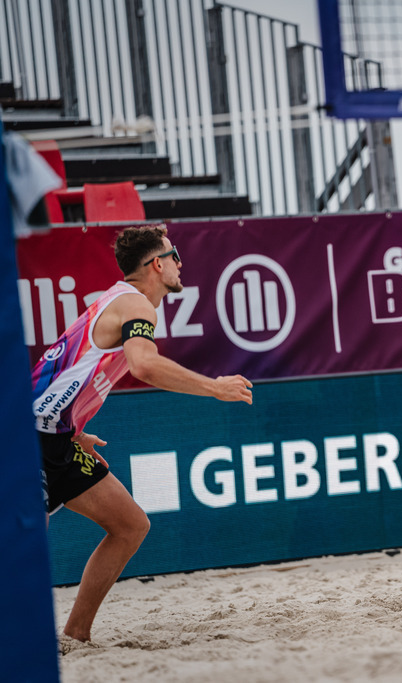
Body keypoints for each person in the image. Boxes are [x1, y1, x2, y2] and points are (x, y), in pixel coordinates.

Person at [32, 224, 253, 642]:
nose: (180, 263)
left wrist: (75, 431)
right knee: (23, 546)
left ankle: (76, 636)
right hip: (27, 439)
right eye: (175, 255)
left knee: (130, 526)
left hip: (56, 436)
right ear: (156, 264)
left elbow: (69, 376)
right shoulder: (135, 305)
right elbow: (145, 366)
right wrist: (214, 387)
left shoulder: (119, 301)